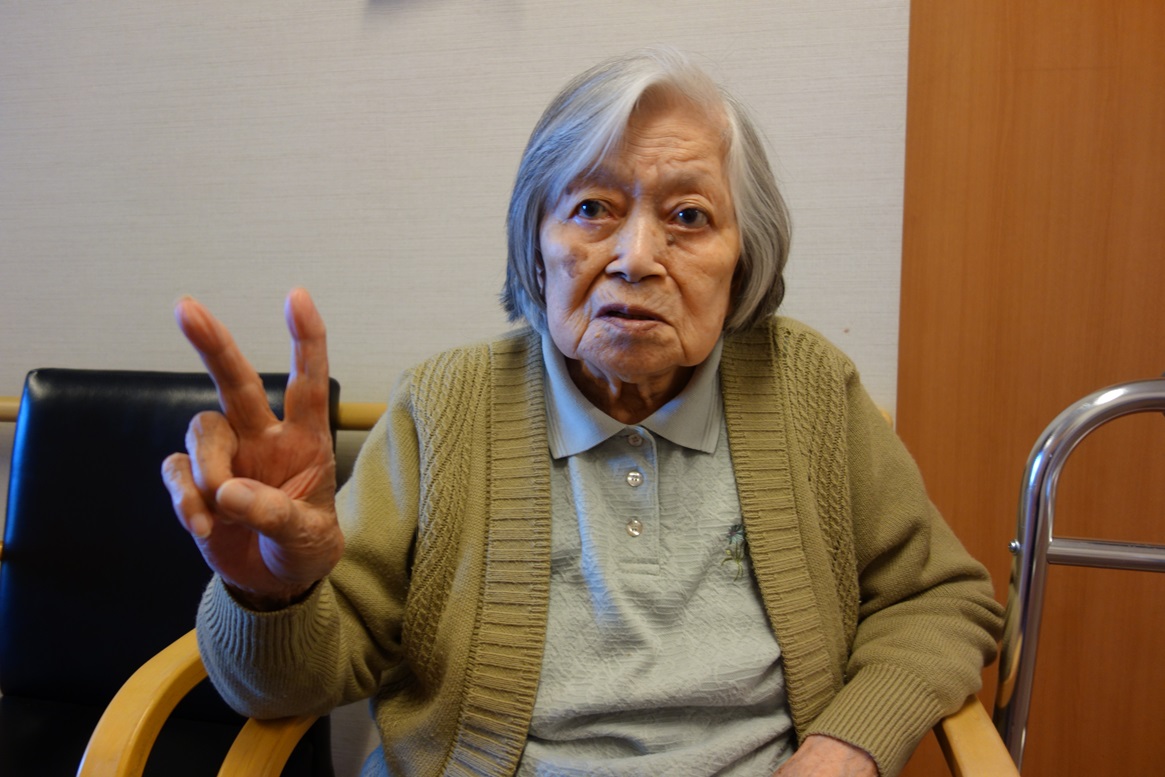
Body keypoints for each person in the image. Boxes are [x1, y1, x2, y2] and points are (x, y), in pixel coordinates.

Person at [162, 48, 1003, 777]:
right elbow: (284, 684)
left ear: (744, 258)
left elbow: (940, 597)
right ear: (536, 243)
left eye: (687, 216)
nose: (635, 258)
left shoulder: (807, 387)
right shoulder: (445, 405)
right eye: (592, 208)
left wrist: (847, 744)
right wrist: (268, 594)